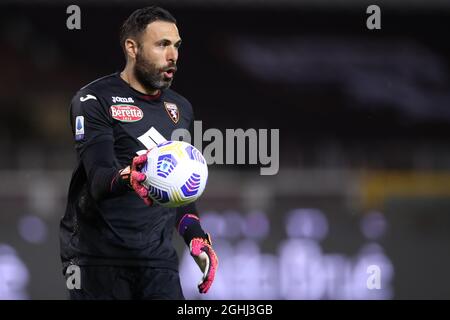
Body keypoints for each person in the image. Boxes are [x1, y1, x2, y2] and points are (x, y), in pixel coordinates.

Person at [59, 6, 218, 300]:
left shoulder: (180, 109)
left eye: (176, 45)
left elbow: (178, 192)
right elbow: (99, 180)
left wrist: (194, 236)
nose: (173, 56)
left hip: (158, 262)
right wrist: (132, 177)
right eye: (162, 45)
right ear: (132, 48)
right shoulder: (94, 100)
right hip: (98, 261)